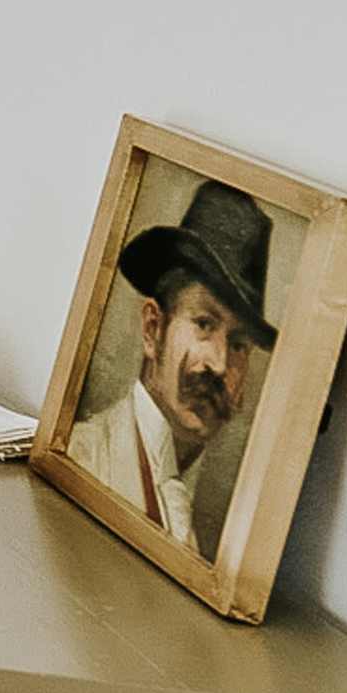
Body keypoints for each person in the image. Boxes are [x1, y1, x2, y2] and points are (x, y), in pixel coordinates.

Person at [68, 178, 275, 555]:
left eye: (239, 343)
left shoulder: (223, 538)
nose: (219, 362)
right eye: (204, 323)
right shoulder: (81, 458)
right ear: (153, 329)